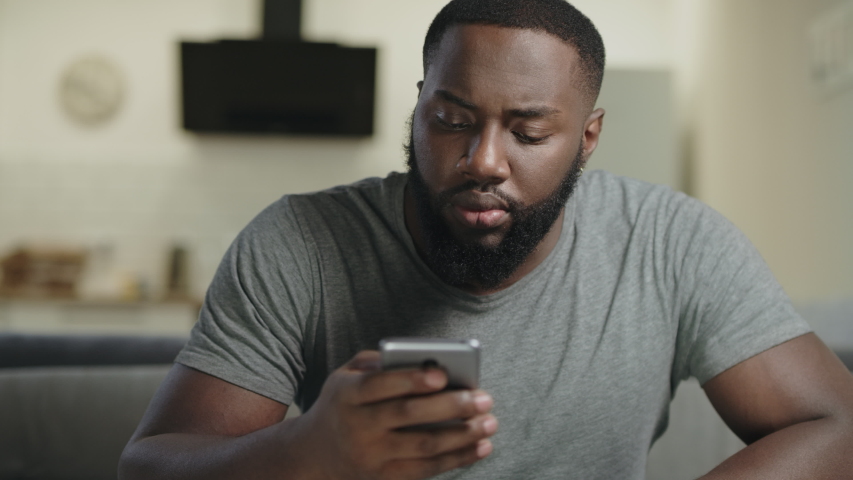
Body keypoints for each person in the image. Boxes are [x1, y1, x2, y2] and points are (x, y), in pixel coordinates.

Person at [119, 0, 853, 478]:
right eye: (452, 121)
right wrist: (304, 452)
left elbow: (837, 423)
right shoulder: (299, 242)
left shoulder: (671, 242)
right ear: (416, 111)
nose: (484, 162)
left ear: (588, 137)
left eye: (529, 131)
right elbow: (147, 466)